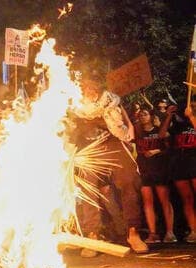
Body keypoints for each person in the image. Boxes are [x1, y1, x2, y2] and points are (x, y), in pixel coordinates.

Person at [74, 77, 148, 253]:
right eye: (87, 87)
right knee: (88, 189)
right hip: (89, 150)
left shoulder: (112, 100)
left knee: (130, 180)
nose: (90, 90)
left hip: (113, 144)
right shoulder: (74, 103)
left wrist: (128, 133)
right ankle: (93, 235)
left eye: (94, 86)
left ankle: (133, 232)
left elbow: (126, 123)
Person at [135, 108, 176, 243]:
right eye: (140, 115)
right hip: (144, 171)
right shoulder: (138, 133)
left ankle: (170, 232)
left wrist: (156, 151)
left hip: (159, 170)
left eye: (145, 114)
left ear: (151, 116)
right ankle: (153, 233)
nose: (143, 117)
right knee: (148, 202)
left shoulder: (158, 130)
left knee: (164, 200)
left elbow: (168, 147)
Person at [159, 100, 196, 243]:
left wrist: (192, 117)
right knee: (187, 199)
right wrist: (168, 115)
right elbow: (161, 135)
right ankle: (194, 230)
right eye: (190, 105)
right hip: (180, 164)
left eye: (194, 106)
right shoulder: (178, 124)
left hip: (194, 161)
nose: (191, 108)